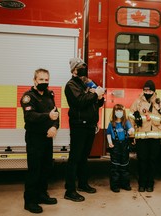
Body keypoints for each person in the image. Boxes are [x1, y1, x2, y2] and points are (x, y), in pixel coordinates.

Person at [64, 57, 105, 202]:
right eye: (81, 66)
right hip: (79, 125)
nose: (83, 69)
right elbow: (80, 102)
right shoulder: (71, 85)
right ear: (74, 70)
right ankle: (70, 190)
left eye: (84, 66)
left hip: (89, 125)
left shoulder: (85, 83)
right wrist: (94, 95)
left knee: (83, 157)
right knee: (75, 158)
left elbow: (96, 104)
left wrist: (100, 97)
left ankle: (82, 184)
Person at [20, 68, 59, 214]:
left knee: (46, 168)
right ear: (34, 80)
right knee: (34, 170)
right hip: (34, 138)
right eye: (41, 79)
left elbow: (55, 113)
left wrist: (54, 127)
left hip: (48, 137)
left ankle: (42, 195)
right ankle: (30, 201)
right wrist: (48, 117)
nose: (44, 82)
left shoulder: (50, 94)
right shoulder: (28, 97)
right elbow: (30, 116)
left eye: (46, 80)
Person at [129, 80, 161, 192]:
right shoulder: (137, 102)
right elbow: (130, 117)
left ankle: (150, 184)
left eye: (150, 90)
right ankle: (141, 184)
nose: (147, 92)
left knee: (153, 161)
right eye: (146, 90)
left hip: (155, 137)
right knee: (142, 160)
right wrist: (133, 131)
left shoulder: (159, 102)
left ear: (154, 91)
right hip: (141, 137)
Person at [106, 104, 134, 193]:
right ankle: (115, 185)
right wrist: (110, 142)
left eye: (120, 111)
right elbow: (108, 134)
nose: (119, 113)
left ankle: (125, 184)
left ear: (123, 112)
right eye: (117, 111)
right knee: (115, 166)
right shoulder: (111, 124)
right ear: (114, 112)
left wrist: (131, 131)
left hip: (124, 146)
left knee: (124, 166)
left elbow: (131, 129)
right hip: (115, 146)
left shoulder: (126, 122)